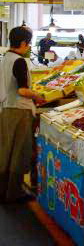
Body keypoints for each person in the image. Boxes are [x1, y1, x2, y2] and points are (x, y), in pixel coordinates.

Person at [0, 27, 43, 202]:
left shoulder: (6, 58)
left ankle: (3, 190)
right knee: (19, 151)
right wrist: (38, 96)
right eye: (29, 43)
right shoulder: (19, 61)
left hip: (6, 108)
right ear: (24, 43)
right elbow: (23, 90)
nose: (29, 47)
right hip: (19, 110)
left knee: (6, 150)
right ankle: (14, 192)